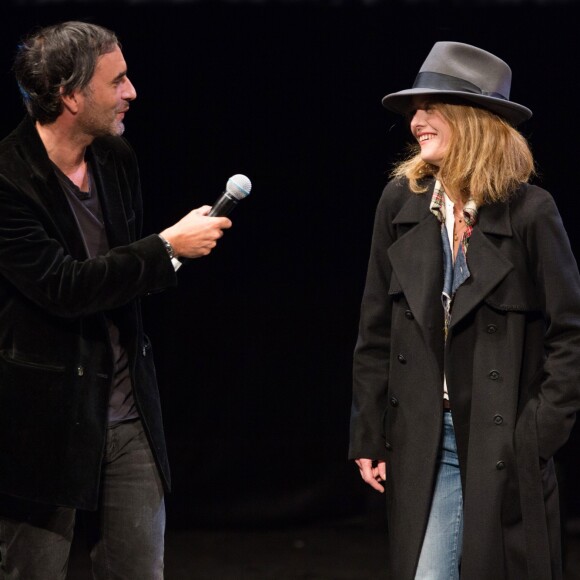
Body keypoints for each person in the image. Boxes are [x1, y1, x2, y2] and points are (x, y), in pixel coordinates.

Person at [0, 21, 232, 579]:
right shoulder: (8, 179)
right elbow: (64, 287)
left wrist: (168, 255)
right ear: (71, 96)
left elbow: (122, 274)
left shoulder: (115, 158)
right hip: (43, 418)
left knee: (137, 569)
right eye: (118, 80)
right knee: (32, 571)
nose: (132, 91)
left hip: (127, 409)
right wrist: (166, 247)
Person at [349, 41, 580, 579]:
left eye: (432, 109)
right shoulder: (399, 204)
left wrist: (537, 433)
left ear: (473, 120)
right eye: (415, 110)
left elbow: (571, 332)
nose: (416, 122)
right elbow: (374, 329)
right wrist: (367, 430)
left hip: (499, 439)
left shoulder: (530, 213)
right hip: (423, 436)